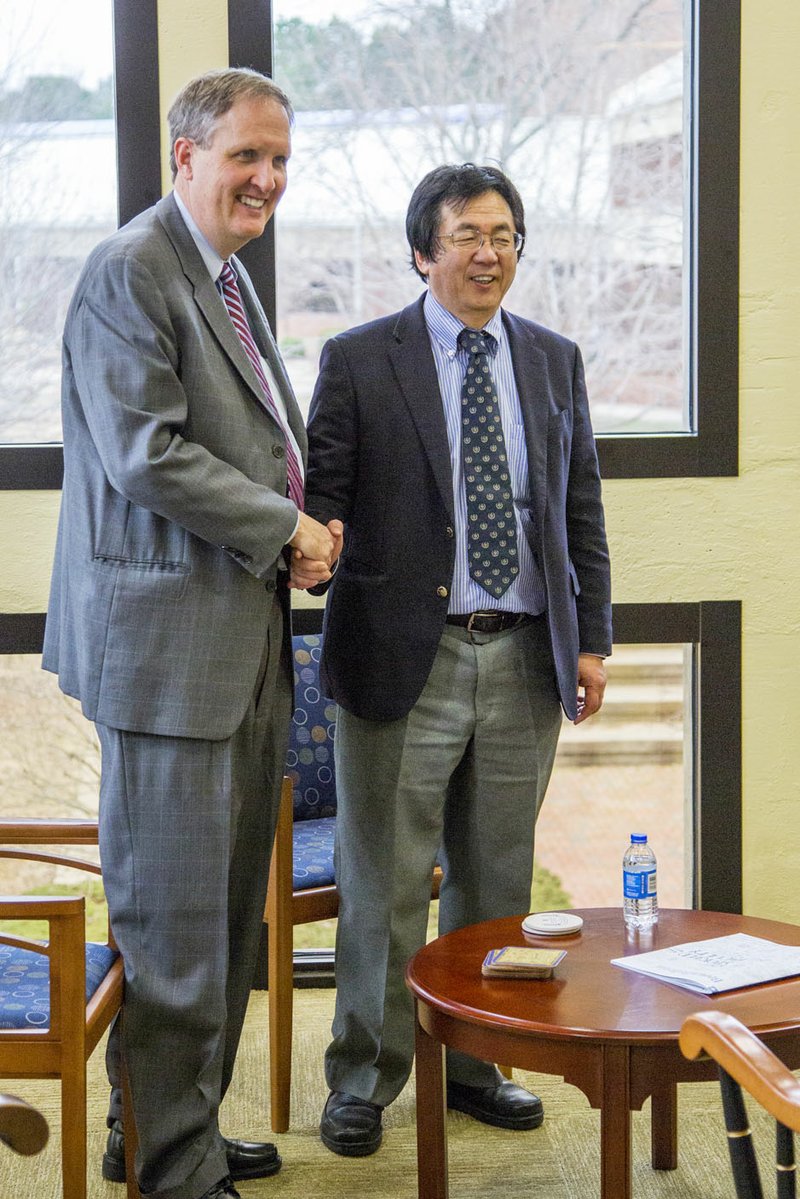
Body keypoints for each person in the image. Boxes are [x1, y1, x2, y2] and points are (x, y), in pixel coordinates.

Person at [42, 69, 340, 1199]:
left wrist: (304, 522)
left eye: (278, 161)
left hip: (237, 632)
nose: (265, 179)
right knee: (173, 919)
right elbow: (147, 454)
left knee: (220, 917)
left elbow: (257, 435)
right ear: (183, 154)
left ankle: (169, 1128)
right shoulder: (132, 268)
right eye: (244, 158)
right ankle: (171, 1169)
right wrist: (287, 526)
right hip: (167, 652)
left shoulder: (218, 273)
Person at [294, 162, 612, 1157]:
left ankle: (476, 1063)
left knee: (494, 882)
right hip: (404, 655)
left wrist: (591, 637)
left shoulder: (553, 359)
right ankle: (362, 1077)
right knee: (383, 881)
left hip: (523, 656)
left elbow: (579, 510)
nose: (489, 252)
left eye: (505, 234)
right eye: (468, 234)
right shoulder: (357, 359)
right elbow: (324, 497)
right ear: (422, 251)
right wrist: (314, 545)